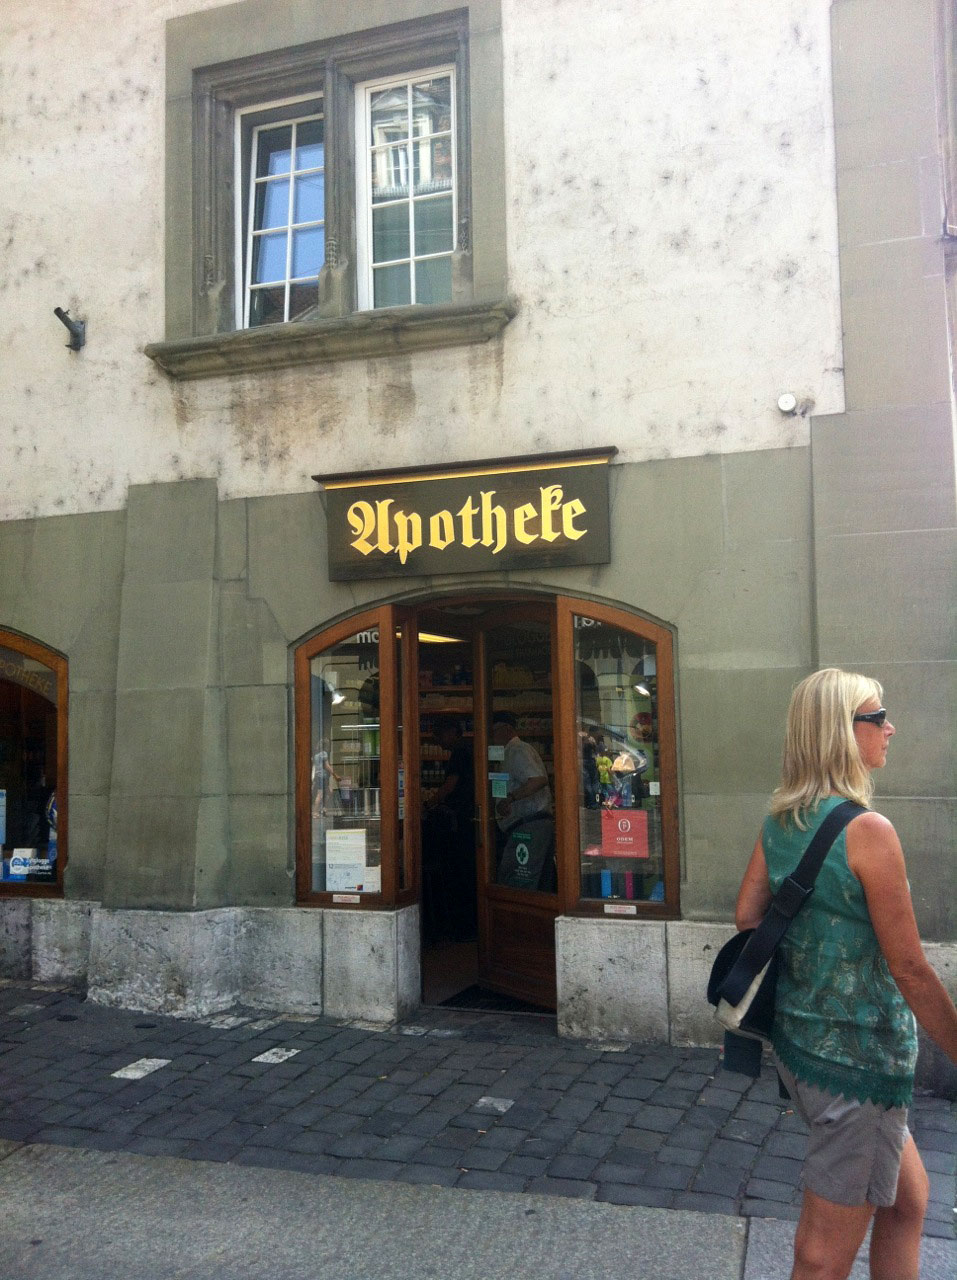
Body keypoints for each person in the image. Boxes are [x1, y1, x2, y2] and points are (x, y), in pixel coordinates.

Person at [734, 669, 957, 1280]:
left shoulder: (783, 819)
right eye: (877, 716)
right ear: (840, 731)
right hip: (859, 1068)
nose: (890, 727)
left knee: (907, 1202)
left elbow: (747, 916)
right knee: (820, 1259)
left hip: (800, 1049)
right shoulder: (868, 830)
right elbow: (909, 968)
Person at [491, 711, 551, 831]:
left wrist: (509, 799)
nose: (491, 736)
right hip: (523, 824)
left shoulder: (517, 750)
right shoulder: (508, 752)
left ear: (507, 729)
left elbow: (538, 780)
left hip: (529, 824)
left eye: (494, 731)